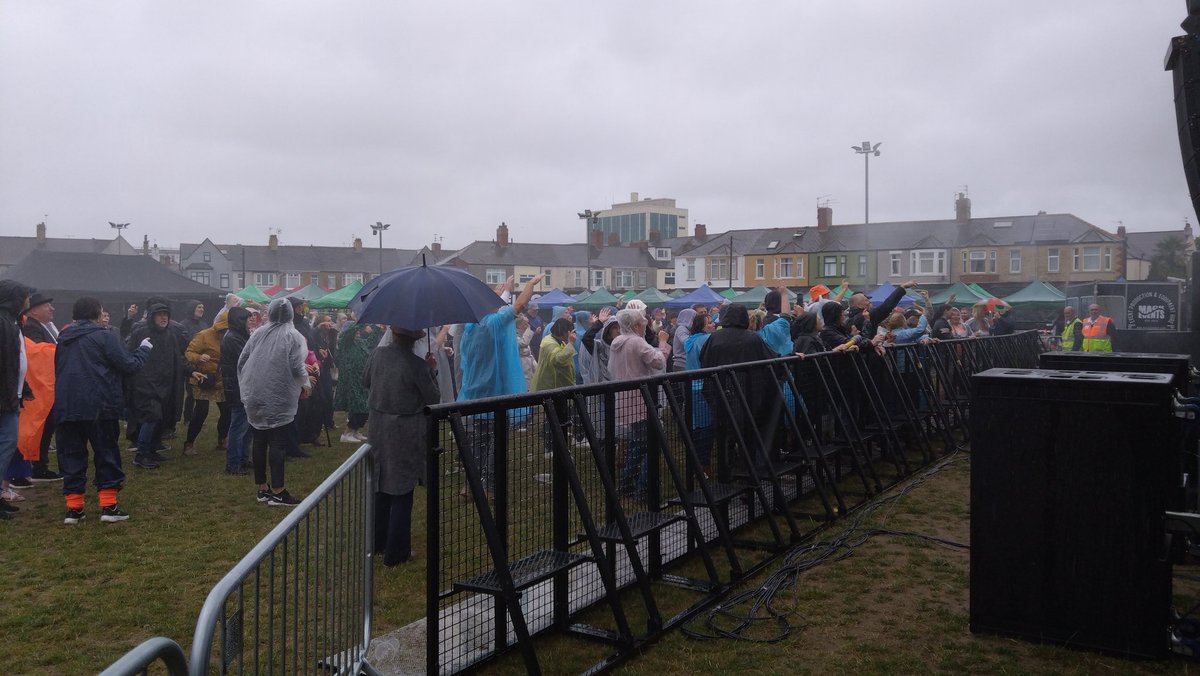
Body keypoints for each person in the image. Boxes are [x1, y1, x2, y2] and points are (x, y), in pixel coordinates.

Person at [53, 297, 151, 524]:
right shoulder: (104, 336)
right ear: (97, 313)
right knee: (106, 452)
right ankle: (109, 507)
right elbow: (129, 364)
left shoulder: (63, 339)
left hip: (67, 405)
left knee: (71, 455)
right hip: (99, 405)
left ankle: (74, 510)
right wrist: (144, 349)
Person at [458, 273, 544, 498]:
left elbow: (493, 306)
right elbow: (519, 305)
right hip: (495, 396)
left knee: (478, 443)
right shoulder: (494, 325)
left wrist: (501, 291)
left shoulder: (469, 328)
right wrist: (530, 284)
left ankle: (472, 485)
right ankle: (489, 487)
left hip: (475, 395)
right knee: (495, 443)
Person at [363, 326, 441, 566]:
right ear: (415, 339)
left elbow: (365, 380)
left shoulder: (377, 355)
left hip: (377, 428)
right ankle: (397, 552)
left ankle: (377, 542)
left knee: (380, 484)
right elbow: (433, 398)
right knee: (401, 490)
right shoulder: (416, 365)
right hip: (404, 431)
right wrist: (431, 371)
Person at [238, 298, 310, 507]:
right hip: (277, 396)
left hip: (254, 393)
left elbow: (243, 360)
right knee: (278, 442)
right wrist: (307, 382)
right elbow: (297, 367)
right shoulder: (292, 336)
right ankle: (278, 492)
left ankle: (262, 489)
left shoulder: (259, 332)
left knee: (259, 440)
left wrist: (246, 384)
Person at [609, 308, 670, 498]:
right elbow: (657, 362)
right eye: (643, 323)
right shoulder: (636, 342)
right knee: (653, 442)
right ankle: (644, 487)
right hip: (642, 401)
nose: (645, 326)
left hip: (626, 399)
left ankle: (627, 483)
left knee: (639, 442)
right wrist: (662, 343)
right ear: (636, 325)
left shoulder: (617, 342)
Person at [126, 300, 187, 470]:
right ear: (152, 317)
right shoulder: (141, 332)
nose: (163, 318)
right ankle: (141, 454)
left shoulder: (169, 335)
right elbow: (131, 356)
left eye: (166, 315)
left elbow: (177, 358)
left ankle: (152, 450)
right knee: (151, 418)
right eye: (160, 315)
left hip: (165, 386)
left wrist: (190, 371)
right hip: (146, 385)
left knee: (161, 419)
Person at [182, 302, 233, 455]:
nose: (224, 333)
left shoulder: (230, 336)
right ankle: (189, 444)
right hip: (203, 376)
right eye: (223, 330)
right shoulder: (203, 335)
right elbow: (188, 353)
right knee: (201, 411)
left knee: (226, 410)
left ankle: (222, 440)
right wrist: (199, 357)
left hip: (220, 378)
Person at [0, 281, 32, 519]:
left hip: (12, 395)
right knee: (5, 446)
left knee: (7, 446)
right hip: (5, 399)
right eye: (25, 296)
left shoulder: (11, 322)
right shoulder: (3, 323)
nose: (28, 301)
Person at [532, 317, 577, 458]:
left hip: (555, 386)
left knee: (555, 417)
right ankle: (550, 447)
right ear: (564, 332)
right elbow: (558, 360)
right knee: (552, 418)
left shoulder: (552, 340)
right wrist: (570, 344)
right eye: (569, 332)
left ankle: (555, 445)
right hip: (550, 386)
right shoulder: (550, 344)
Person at [335, 314, 381, 443]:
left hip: (361, 379)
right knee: (360, 406)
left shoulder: (359, 342)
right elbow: (349, 331)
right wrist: (362, 321)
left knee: (364, 406)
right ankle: (347, 433)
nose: (358, 332)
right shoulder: (345, 342)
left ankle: (355, 431)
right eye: (356, 330)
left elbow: (371, 342)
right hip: (350, 380)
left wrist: (376, 326)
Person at [219, 306, 252, 475]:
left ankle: (243, 459)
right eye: (247, 320)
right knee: (238, 427)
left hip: (241, 386)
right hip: (237, 387)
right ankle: (233, 464)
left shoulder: (238, 336)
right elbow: (247, 359)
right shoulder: (233, 338)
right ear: (240, 321)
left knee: (246, 426)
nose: (249, 323)